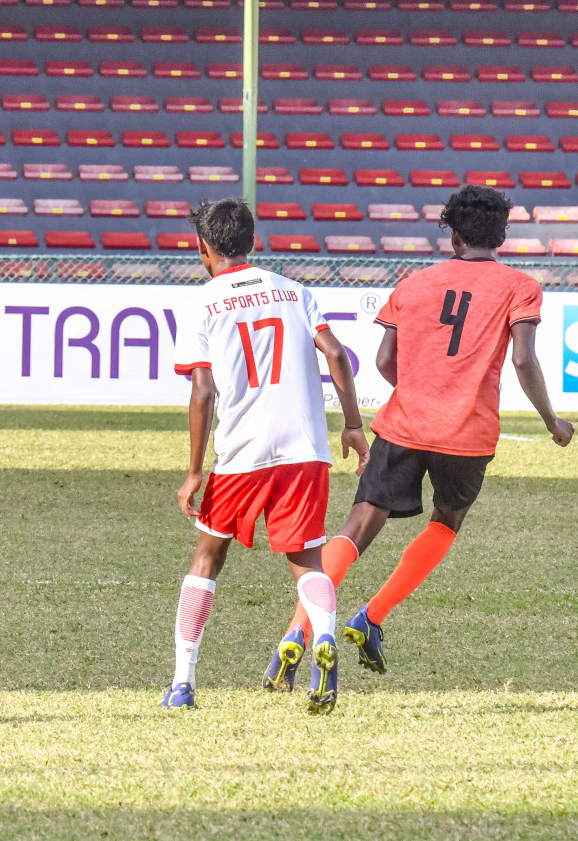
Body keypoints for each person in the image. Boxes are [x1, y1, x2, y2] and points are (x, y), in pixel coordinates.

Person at [263, 184, 572, 683]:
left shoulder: (414, 283)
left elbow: (386, 361)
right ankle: (371, 617)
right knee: (445, 521)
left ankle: (299, 629)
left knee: (359, 524)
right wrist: (551, 421)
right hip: (468, 435)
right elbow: (522, 358)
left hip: (404, 424)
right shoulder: (520, 286)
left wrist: (422, 390)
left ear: (452, 237)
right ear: (501, 236)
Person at [165, 198, 369, 713]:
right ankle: (322, 635)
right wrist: (351, 425)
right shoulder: (294, 291)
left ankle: (183, 684)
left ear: (203, 247)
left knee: (207, 559)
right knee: (307, 561)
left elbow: (204, 390)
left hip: (241, 452)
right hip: (305, 449)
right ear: (253, 241)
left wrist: (193, 472)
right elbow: (338, 354)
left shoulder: (202, 302)